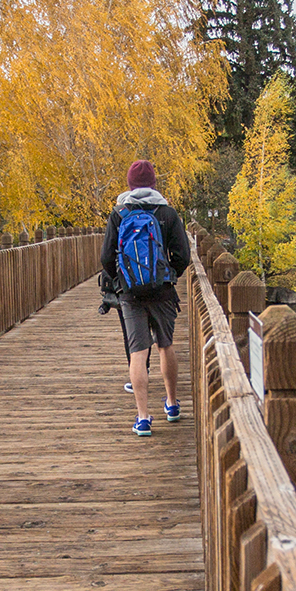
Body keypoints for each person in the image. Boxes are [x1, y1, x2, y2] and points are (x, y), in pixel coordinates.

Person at [101, 160, 190, 437]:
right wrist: (169, 273)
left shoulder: (119, 212)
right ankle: (172, 404)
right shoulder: (168, 213)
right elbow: (184, 255)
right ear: (153, 184)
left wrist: (122, 280)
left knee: (138, 352)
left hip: (130, 292)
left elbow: (105, 258)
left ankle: (143, 418)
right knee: (165, 345)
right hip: (162, 290)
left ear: (129, 184)